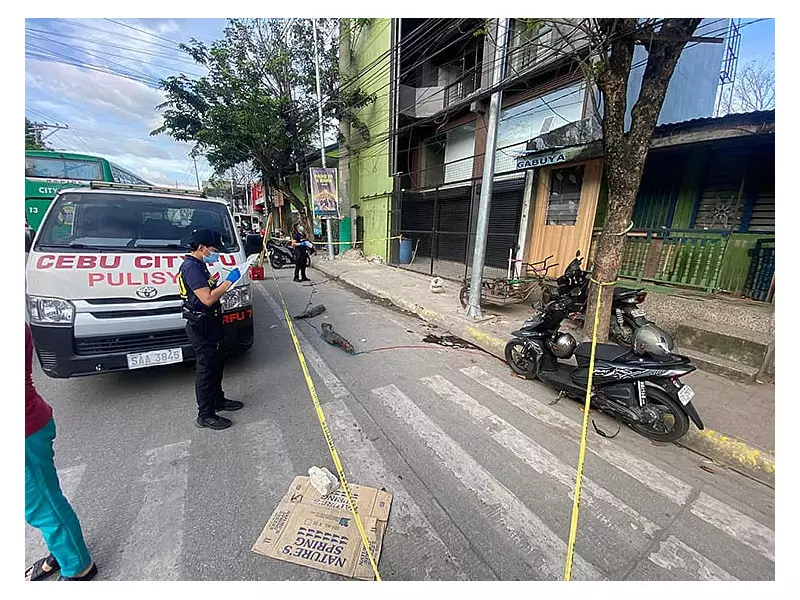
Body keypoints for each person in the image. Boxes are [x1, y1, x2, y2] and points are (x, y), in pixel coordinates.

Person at [25, 323, 97, 581]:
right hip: (30, 425)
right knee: (42, 500)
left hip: (25, 431)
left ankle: (77, 566)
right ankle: (62, 550)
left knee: (42, 505)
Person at [177, 228, 244, 430]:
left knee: (216, 364)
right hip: (201, 325)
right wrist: (229, 282)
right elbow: (207, 299)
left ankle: (218, 400)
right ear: (202, 248)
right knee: (206, 370)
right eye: (213, 249)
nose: (215, 253)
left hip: (211, 322)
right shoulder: (191, 267)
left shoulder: (198, 265)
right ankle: (205, 415)